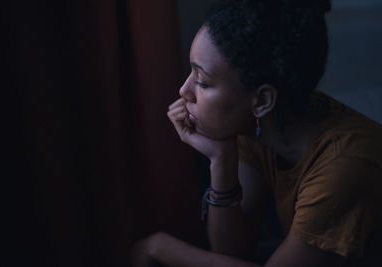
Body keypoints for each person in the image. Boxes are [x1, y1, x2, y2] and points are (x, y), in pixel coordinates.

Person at [131, 0, 382, 266]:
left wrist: (158, 247)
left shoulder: (344, 168)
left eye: (202, 82)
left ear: (262, 100)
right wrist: (222, 159)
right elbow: (234, 250)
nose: (184, 90)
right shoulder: (261, 123)